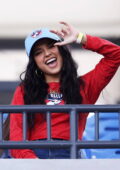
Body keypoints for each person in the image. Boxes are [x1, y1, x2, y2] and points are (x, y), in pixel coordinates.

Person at [10, 21, 120, 158]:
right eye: (39, 52)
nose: (47, 54)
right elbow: (16, 137)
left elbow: (116, 54)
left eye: (51, 46)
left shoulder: (84, 86)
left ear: (62, 50)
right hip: (35, 157)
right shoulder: (24, 90)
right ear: (35, 63)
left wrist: (81, 37)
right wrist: (35, 163)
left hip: (71, 155)